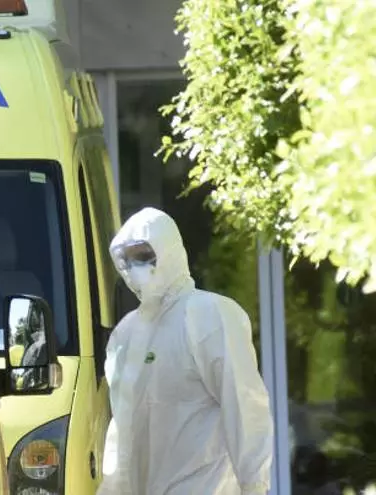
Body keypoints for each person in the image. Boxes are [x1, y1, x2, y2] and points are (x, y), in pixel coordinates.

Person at [98, 207, 274, 495]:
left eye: (145, 255)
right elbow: (122, 430)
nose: (137, 266)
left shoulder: (209, 314)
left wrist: (254, 485)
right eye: (128, 259)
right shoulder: (126, 333)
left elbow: (244, 404)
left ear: (168, 251)